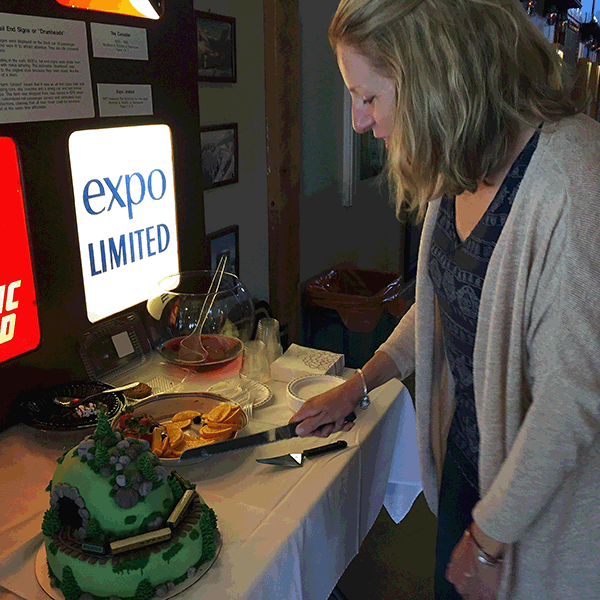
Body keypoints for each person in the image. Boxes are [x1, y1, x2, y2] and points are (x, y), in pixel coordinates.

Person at [290, 1, 600, 598]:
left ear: (433, 76)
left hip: (540, 509)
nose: (358, 120)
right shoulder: (460, 162)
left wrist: (488, 538)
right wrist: (359, 383)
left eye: (368, 96)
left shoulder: (572, 176)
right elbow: (439, 311)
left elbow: (572, 400)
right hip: (468, 470)